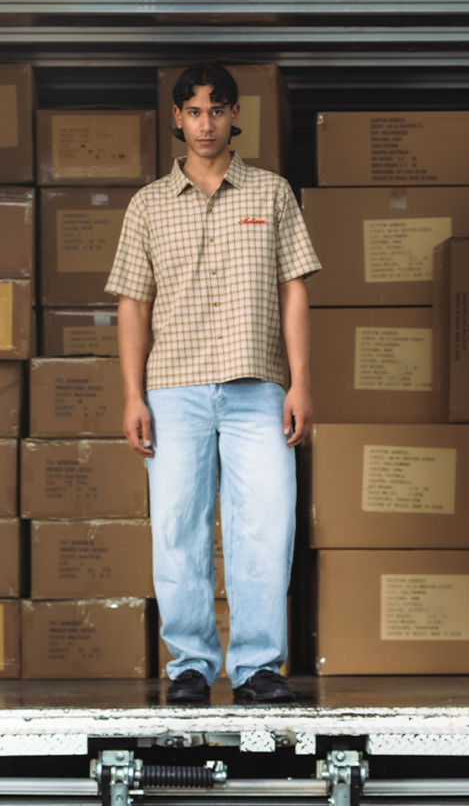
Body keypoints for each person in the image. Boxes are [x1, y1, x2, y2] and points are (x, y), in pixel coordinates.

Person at [104, 63, 321, 704]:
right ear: (177, 118)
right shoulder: (146, 205)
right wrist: (131, 396)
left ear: (234, 116)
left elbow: (294, 290)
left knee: (266, 524)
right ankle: (191, 666)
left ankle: (257, 668)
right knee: (178, 527)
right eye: (193, 111)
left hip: (258, 389)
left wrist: (300, 383)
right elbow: (131, 306)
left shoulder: (272, 193)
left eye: (217, 110)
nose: (205, 123)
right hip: (173, 391)